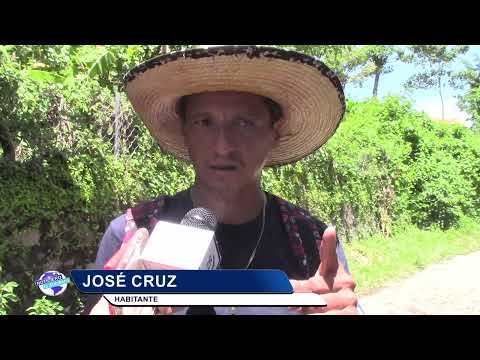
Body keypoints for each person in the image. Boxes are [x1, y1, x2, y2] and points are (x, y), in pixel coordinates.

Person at [86, 45, 359, 315]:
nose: (223, 146)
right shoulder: (131, 234)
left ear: (275, 132)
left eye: (244, 123)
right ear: (185, 132)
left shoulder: (312, 241)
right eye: (204, 122)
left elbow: (341, 301)